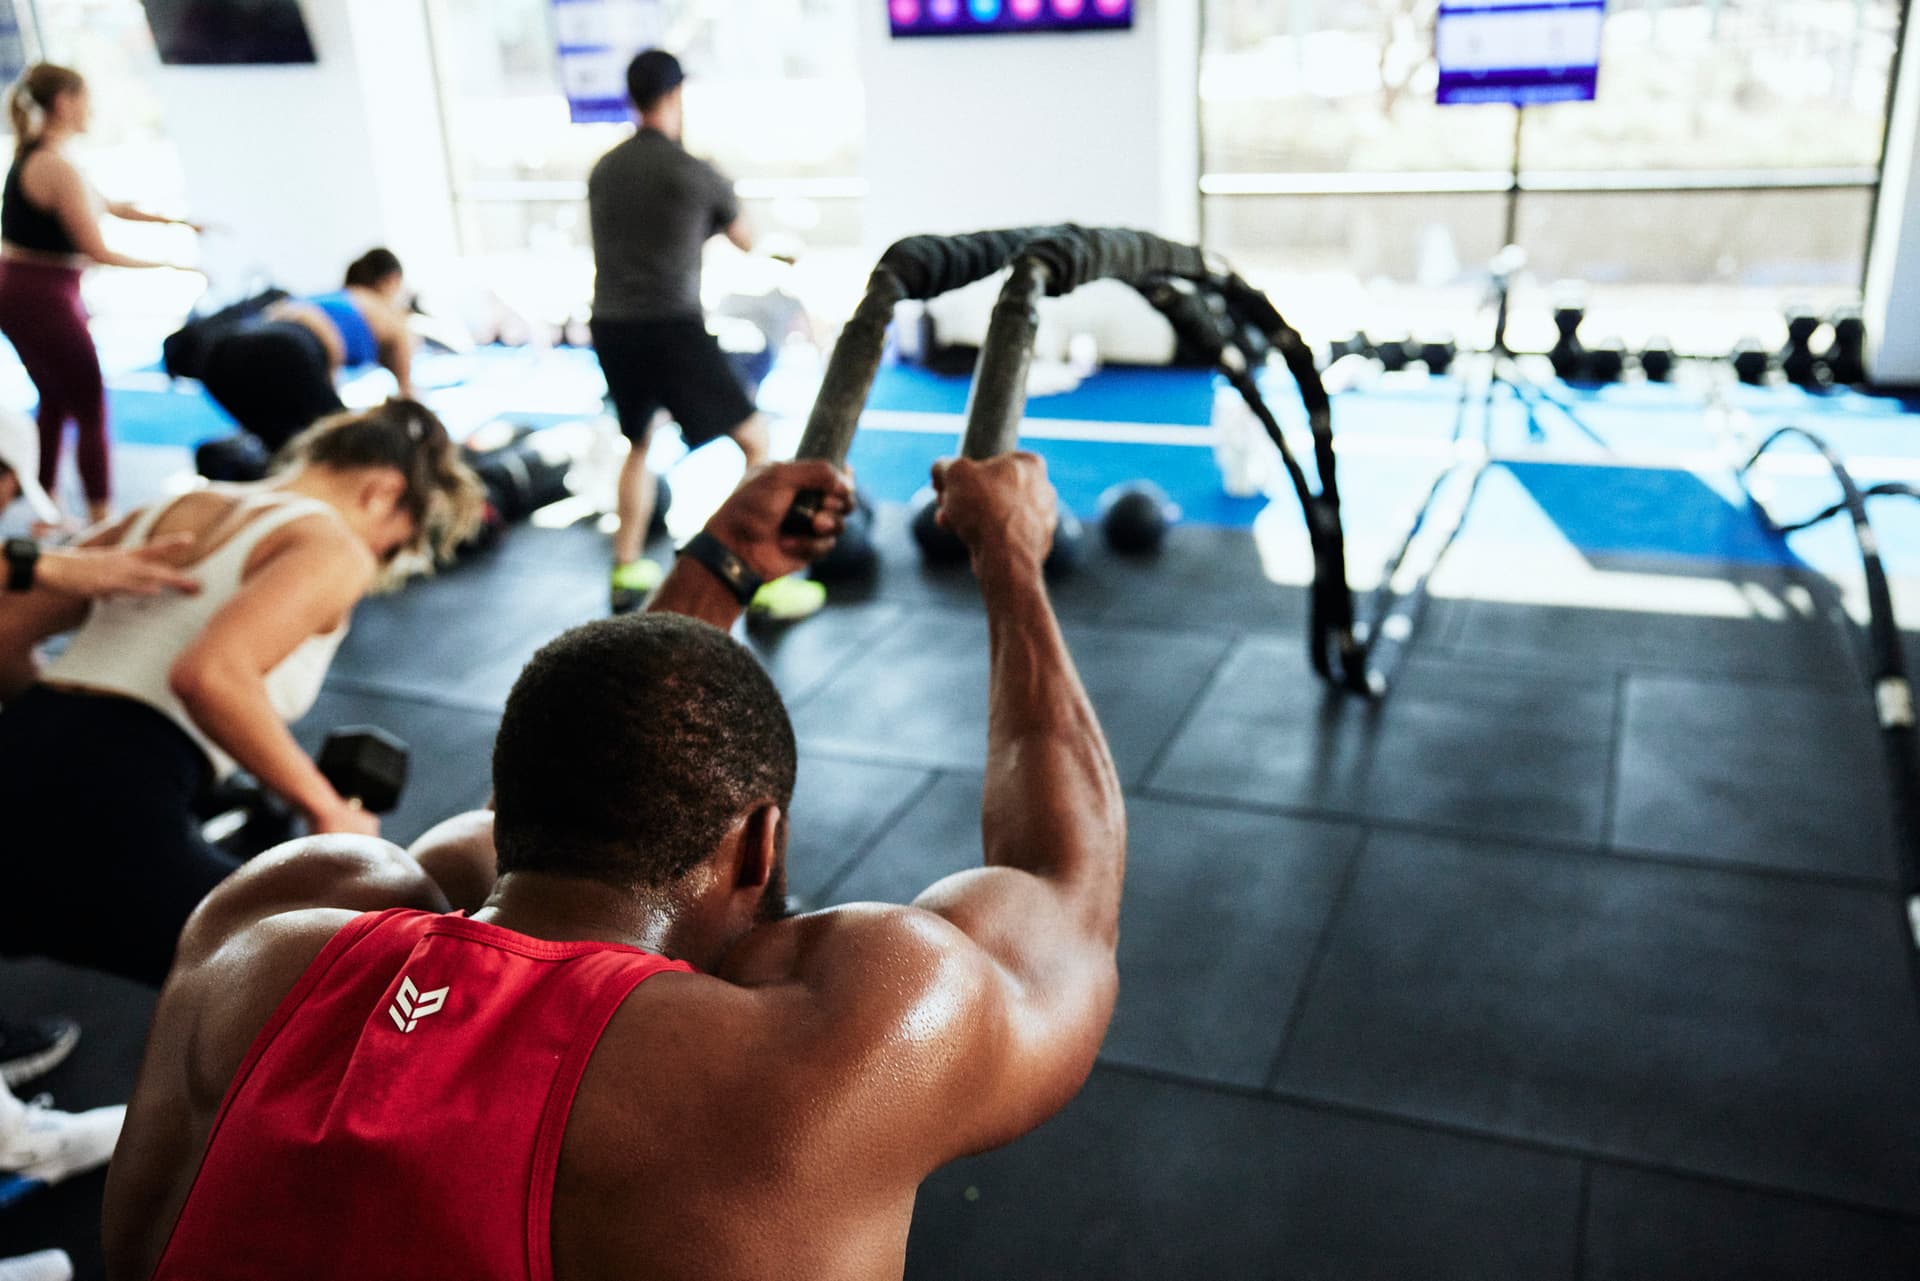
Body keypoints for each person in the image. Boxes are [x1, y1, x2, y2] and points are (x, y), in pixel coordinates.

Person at [100, 453, 1127, 1280]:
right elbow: (1066, 891)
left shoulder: (261, 934)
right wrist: (1010, 558)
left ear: (509, 805)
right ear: (760, 844)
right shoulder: (837, 1050)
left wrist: (722, 562)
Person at [0, 400, 484, 987]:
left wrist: (56, 732)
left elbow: (5, 635)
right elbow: (209, 675)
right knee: (329, 984)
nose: (379, 562)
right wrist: (328, 809)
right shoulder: (334, 543)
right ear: (380, 493)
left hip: (19, 748)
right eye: (391, 545)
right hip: (113, 804)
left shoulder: (177, 506)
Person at [588, 48, 821, 620]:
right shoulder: (695, 171)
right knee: (756, 441)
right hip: (669, 326)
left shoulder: (604, 170)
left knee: (638, 442)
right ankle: (758, 577)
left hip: (611, 326)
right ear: (674, 97)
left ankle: (626, 570)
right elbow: (746, 239)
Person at [1, 64, 203, 527]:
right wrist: (175, 266)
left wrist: (177, 224)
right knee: (91, 404)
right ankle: (101, 521)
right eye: (86, 97)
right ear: (65, 103)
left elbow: (107, 206)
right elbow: (98, 249)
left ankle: (45, 506)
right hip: (39, 296)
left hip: (31, 291)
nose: (92, 108)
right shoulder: (53, 164)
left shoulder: (49, 156)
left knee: (53, 399)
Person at [199, 248, 417, 454]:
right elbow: (408, 398)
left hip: (220, 355)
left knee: (291, 453)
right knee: (346, 450)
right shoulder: (389, 313)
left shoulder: (333, 297)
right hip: (286, 348)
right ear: (391, 281)